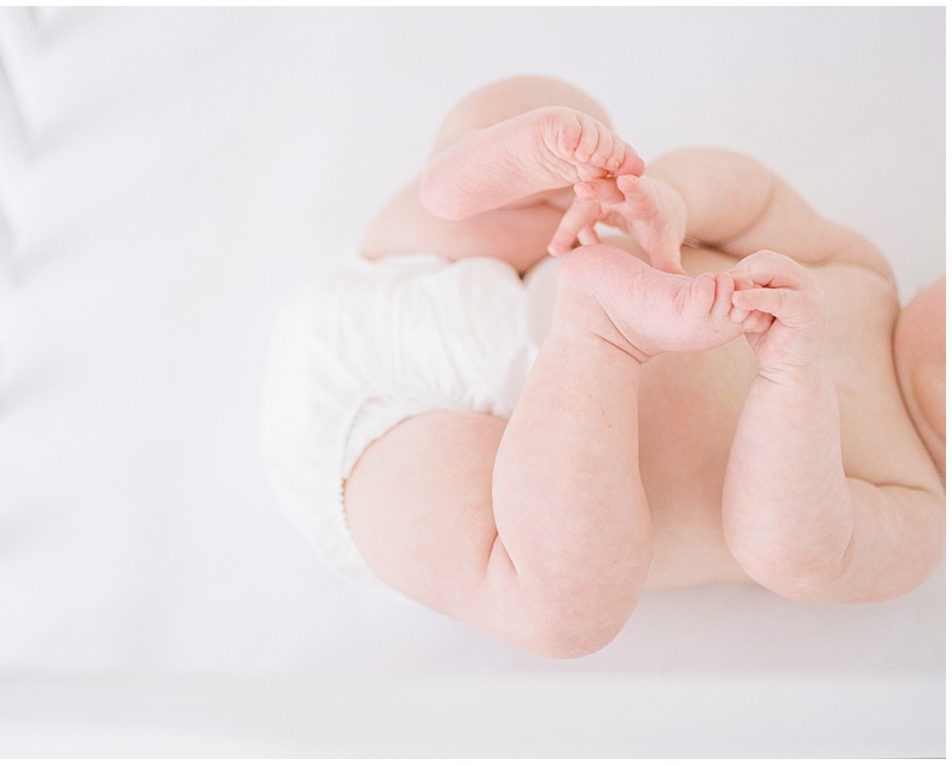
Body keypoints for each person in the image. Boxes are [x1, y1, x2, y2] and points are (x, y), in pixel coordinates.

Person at [263, 76, 945, 659]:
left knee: (564, 608)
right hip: (487, 256)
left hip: (442, 459)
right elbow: (755, 196)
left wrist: (792, 383)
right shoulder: (863, 271)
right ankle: (474, 162)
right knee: (582, 156)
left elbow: (792, 547)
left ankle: (599, 335)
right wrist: (673, 201)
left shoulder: (918, 509)